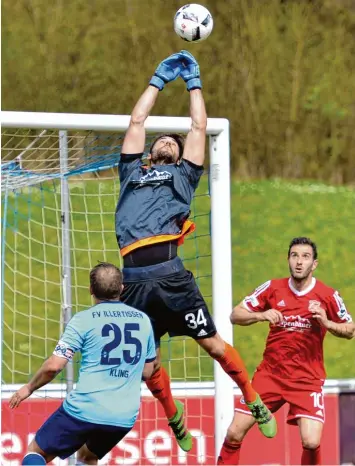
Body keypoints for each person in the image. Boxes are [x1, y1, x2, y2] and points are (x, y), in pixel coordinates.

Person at [115, 49, 276, 452]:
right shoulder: (131, 171)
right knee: (146, 365)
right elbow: (137, 121)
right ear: (151, 153)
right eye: (163, 140)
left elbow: (199, 125)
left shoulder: (185, 176)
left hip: (171, 277)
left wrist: (193, 83)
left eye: (176, 140)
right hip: (133, 281)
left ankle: (252, 399)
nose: (169, 141)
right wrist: (156, 80)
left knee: (213, 344)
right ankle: (174, 416)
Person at [217, 237, 355, 465]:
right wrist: (261, 315)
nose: (299, 262)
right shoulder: (272, 288)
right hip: (269, 377)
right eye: (295, 256)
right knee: (234, 432)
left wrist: (327, 323)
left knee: (311, 441)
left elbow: (350, 329)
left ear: (314, 264)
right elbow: (235, 314)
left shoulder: (327, 295)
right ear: (288, 260)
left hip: (307, 380)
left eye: (305, 257)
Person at [9, 263, 156, 466]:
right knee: (88, 457)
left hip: (84, 410)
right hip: (123, 416)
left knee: (36, 452)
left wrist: (29, 387)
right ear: (122, 288)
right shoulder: (143, 321)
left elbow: (54, 366)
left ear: (90, 290)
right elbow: (148, 371)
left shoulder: (83, 320)